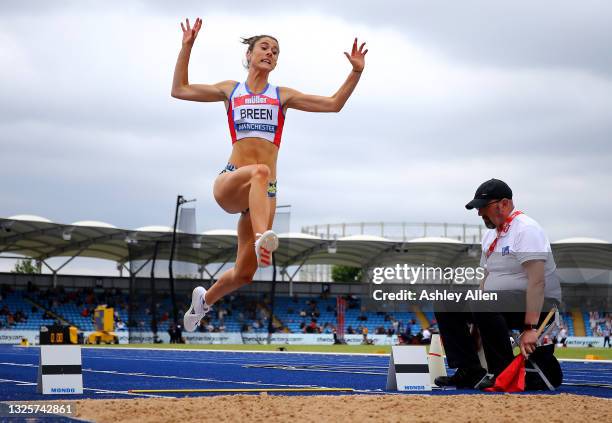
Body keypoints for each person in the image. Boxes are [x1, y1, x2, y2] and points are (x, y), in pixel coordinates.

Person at [174, 18, 367, 332]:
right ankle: (263, 235)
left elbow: (333, 104)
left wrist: (355, 71)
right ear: (249, 55)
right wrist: (187, 47)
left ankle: (204, 301)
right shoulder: (230, 90)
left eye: (276, 51)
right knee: (260, 171)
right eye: (264, 47)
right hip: (233, 180)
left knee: (244, 274)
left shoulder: (282, 95)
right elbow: (179, 89)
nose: (270, 53)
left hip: (264, 194)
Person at [435, 178, 562, 389]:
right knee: (445, 300)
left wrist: (530, 327)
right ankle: (469, 370)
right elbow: (485, 281)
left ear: (503, 203)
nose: (479, 213)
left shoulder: (526, 230)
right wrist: (476, 321)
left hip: (538, 306)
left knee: (485, 302)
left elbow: (537, 281)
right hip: (495, 304)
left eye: (483, 207)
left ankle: (502, 371)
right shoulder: (490, 236)